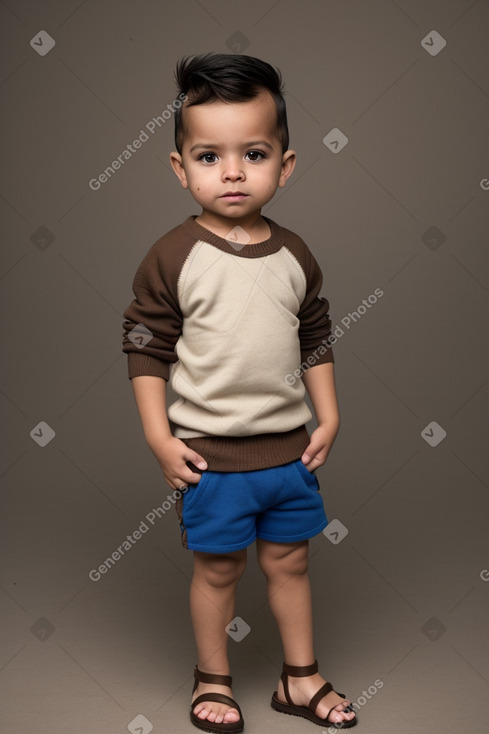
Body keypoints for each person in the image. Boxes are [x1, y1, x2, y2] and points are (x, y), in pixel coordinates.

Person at [122, 52, 357, 732]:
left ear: (284, 165)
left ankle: (298, 678)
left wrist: (329, 414)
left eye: (253, 153)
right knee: (218, 572)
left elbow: (315, 333)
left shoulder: (294, 255)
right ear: (179, 167)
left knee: (290, 563)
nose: (231, 172)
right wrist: (158, 436)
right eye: (208, 156)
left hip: (287, 455)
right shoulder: (173, 255)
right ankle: (213, 680)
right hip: (210, 458)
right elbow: (144, 345)